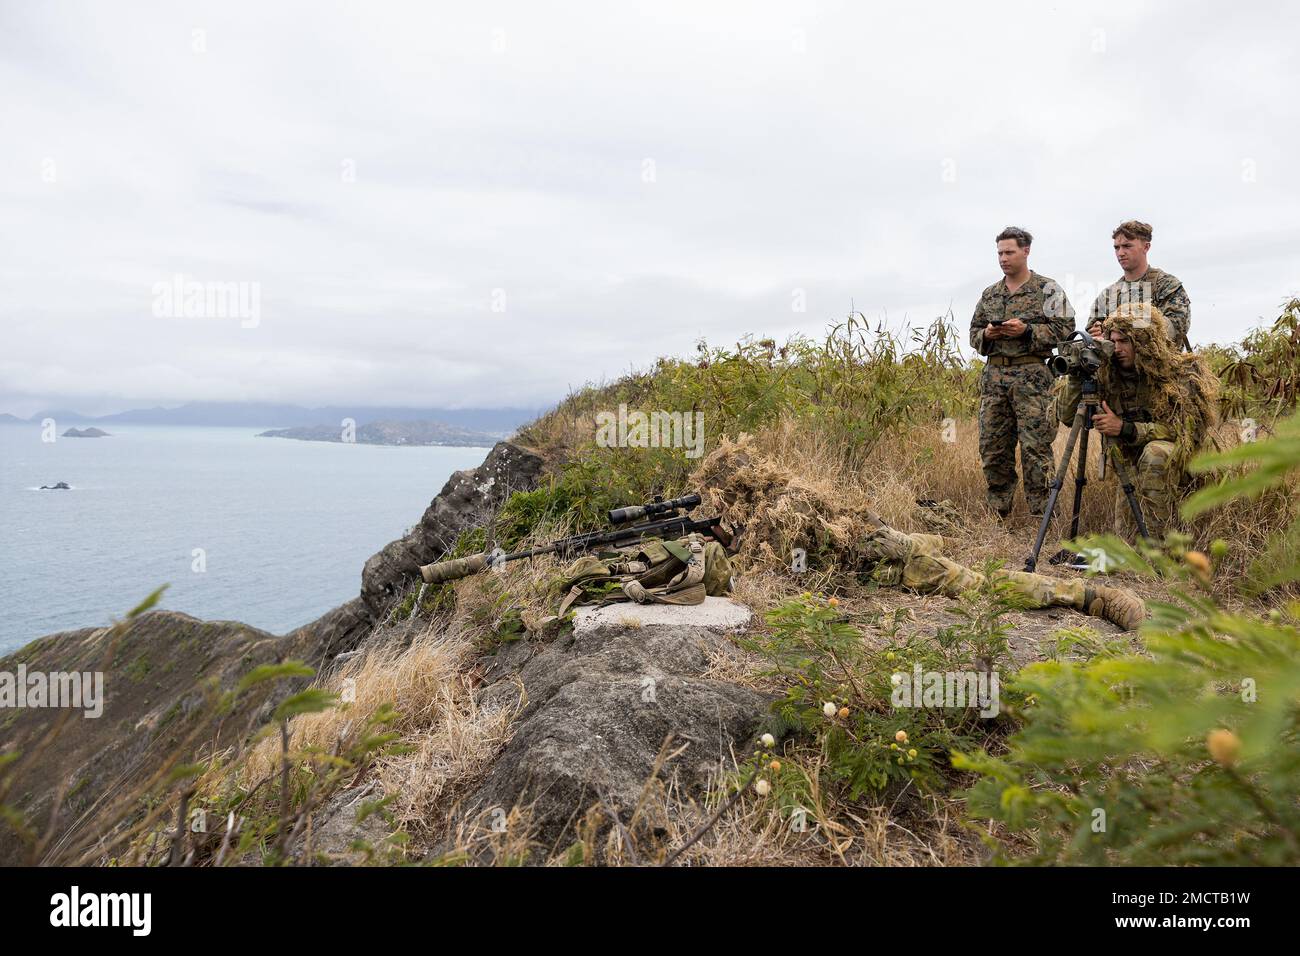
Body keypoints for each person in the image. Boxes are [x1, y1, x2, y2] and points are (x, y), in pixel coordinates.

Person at [1058, 302, 1219, 540]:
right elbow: (1068, 417)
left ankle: (1162, 552)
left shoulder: (1181, 373)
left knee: (1155, 453)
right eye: (1113, 341)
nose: (1118, 348)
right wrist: (1076, 376)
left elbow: (1186, 432)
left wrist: (1125, 428)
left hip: (1184, 460)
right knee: (1127, 539)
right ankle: (1145, 549)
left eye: (1125, 341)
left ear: (1144, 342)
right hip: (1133, 462)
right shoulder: (1108, 373)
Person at [970, 226, 1075, 518]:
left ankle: (1042, 517)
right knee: (993, 448)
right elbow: (974, 332)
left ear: (1025, 251)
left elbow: (1065, 332)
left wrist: (1027, 330)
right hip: (994, 379)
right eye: (1000, 253)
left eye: (1009, 252)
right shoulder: (990, 294)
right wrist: (988, 335)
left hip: (1033, 377)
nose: (1003, 258)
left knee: (1036, 449)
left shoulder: (1048, 289)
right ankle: (998, 512)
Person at [858, 524, 1146, 630]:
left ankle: (1090, 595)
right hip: (871, 572)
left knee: (982, 586)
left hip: (889, 559)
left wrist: (895, 543)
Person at [1088, 220, 1191, 350]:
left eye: (1127, 246)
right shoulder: (1109, 295)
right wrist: (1098, 332)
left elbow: (1175, 329)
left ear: (1146, 247)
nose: (1120, 253)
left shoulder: (1167, 285)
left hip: (1158, 367)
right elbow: (1091, 334)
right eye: (1117, 247)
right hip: (1117, 368)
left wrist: (1126, 327)